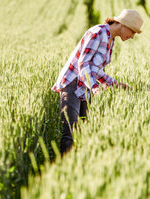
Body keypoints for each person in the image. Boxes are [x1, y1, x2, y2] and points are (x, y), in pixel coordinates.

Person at [52, 9, 143, 154]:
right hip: (72, 84)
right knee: (70, 132)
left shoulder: (110, 40)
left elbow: (96, 70)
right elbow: (83, 64)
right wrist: (94, 87)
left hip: (84, 87)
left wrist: (116, 84)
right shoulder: (98, 33)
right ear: (124, 25)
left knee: (83, 131)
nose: (132, 36)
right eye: (132, 32)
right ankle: (62, 170)